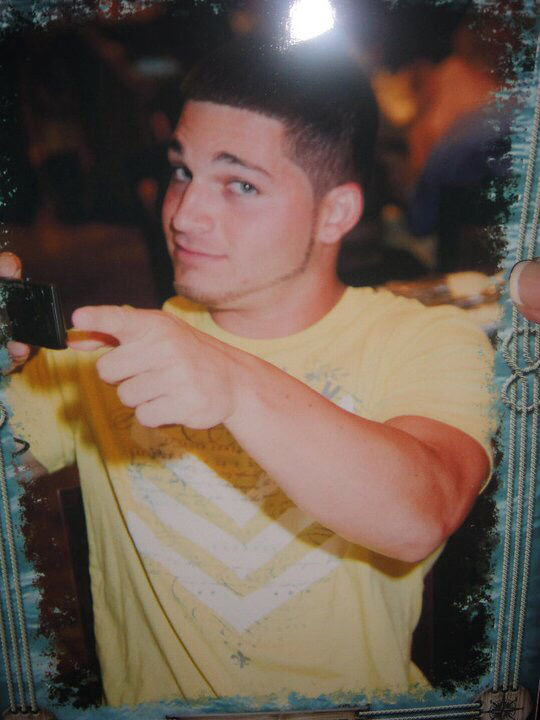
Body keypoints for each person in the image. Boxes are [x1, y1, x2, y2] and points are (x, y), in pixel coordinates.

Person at [2, 37, 494, 707]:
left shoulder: (423, 339)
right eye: (182, 171)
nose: (184, 214)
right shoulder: (110, 349)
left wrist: (231, 382)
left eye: (241, 185)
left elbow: (422, 511)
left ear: (336, 213)